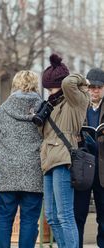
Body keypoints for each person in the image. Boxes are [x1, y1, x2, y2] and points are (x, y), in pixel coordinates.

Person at [0, 70, 43, 248]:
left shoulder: (3, 110)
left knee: (3, 220)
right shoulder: (43, 110)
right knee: (29, 220)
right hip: (33, 173)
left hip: (6, 173)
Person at [40, 54, 90, 248]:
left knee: (65, 215)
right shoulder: (51, 105)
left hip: (63, 159)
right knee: (51, 216)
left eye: (52, 87)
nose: (49, 92)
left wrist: (81, 79)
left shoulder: (75, 100)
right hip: (47, 161)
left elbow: (69, 82)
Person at [74, 67, 104, 248]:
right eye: (91, 87)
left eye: (99, 87)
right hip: (82, 167)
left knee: (103, 214)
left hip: (102, 170)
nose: (95, 90)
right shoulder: (78, 107)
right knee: (78, 213)